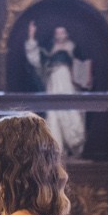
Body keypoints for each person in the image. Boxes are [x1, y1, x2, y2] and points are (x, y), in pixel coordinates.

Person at [24, 21, 88, 156]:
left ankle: (75, 147)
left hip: (69, 85)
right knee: (53, 115)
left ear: (67, 34)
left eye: (62, 33)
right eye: (57, 33)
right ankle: (58, 150)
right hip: (53, 84)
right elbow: (36, 60)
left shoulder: (73, 48)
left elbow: (82, 67)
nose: (60, 36)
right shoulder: (49, 48)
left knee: (71, 113)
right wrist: (31, 36)